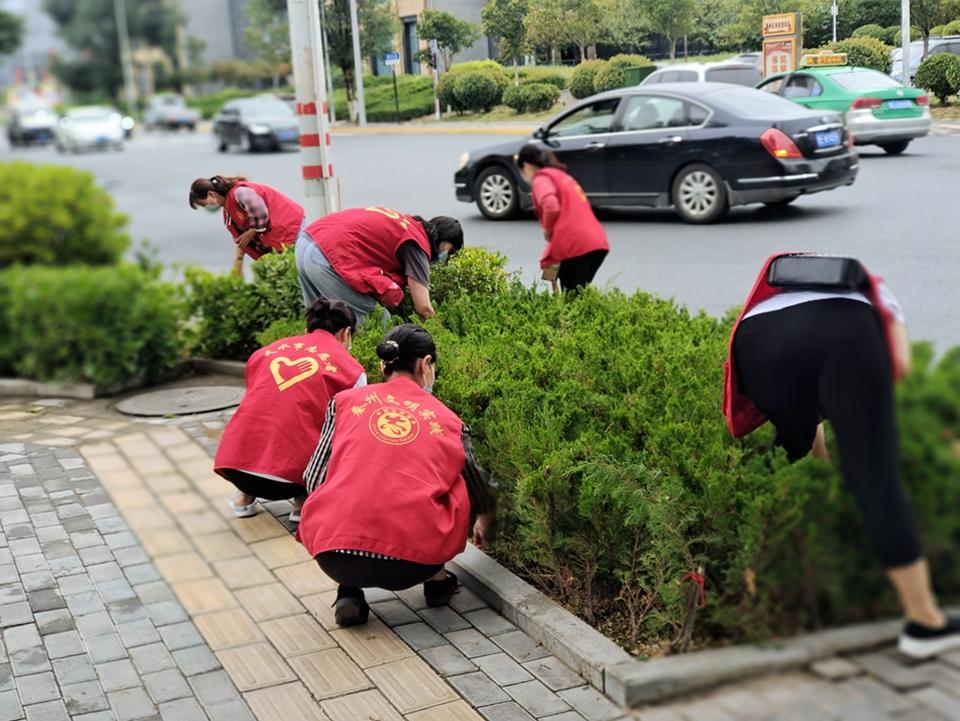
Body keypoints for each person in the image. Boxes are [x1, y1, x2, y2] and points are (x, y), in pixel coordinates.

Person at [724, 252, 960, 660]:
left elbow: (812, 405)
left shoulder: (779, 294)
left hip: (758, 341)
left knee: (791, 444)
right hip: (846, 339)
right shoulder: (879, 298)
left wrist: (827, 474)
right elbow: (900, 365)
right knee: (876, 479)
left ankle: (749, 576)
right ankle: (924, 622)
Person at [297, 324, 497, 626]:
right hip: (413, 564)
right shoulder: (450, 422)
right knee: (451, 479)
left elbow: (314, 477)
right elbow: (478, 489)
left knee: (348, 476)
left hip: (333, 554)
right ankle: (437, 581)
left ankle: (349, 591)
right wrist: (486, 519)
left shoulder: (344, 403)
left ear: (383, 365)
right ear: (426, 364)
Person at [214, 296, 366, 523]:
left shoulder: (264, 353)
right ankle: (302, 502)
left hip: (233, 469)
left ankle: (244, 498)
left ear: (307, 328)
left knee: (264, 412)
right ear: (347, 333)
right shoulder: (352, 371)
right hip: (291, 481)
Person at [296, 206, 463, 326]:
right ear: (445, 244)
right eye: (449, 252)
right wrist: (442, 337)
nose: (445, 258)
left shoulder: (406, 224)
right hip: (325, 256)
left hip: (306, 242)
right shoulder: (416, 244)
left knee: (319, 321)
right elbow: (424, 308)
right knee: (379, 320)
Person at [515, 144, 609, 292]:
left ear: (525, 165)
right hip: (596, 243)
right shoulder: (561, 176)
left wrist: (547, 230)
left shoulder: (541, 178)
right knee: (577, 295)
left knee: (571, 298)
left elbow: (551, 206)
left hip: (576, 244)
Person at [189, 175, 306, 275]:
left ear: (211, 194)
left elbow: (260, 213)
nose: (208, 207)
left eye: (205, 204)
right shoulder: (228, 209)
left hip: (292, 228)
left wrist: (252, 232)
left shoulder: (240, 192)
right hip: (281, 239)